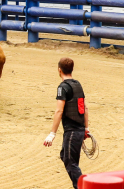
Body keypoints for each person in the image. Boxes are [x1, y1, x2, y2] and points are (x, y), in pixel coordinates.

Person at [43, 58, 89, 189]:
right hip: (79, 130)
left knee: (70, 161)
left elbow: (59, 111)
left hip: (72, 131)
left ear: (59, 70)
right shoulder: (78, 84)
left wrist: (52, 134)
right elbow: (84, 107)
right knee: (66, 156)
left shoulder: (63, 87)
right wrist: (86, 128)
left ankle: (82, 187)